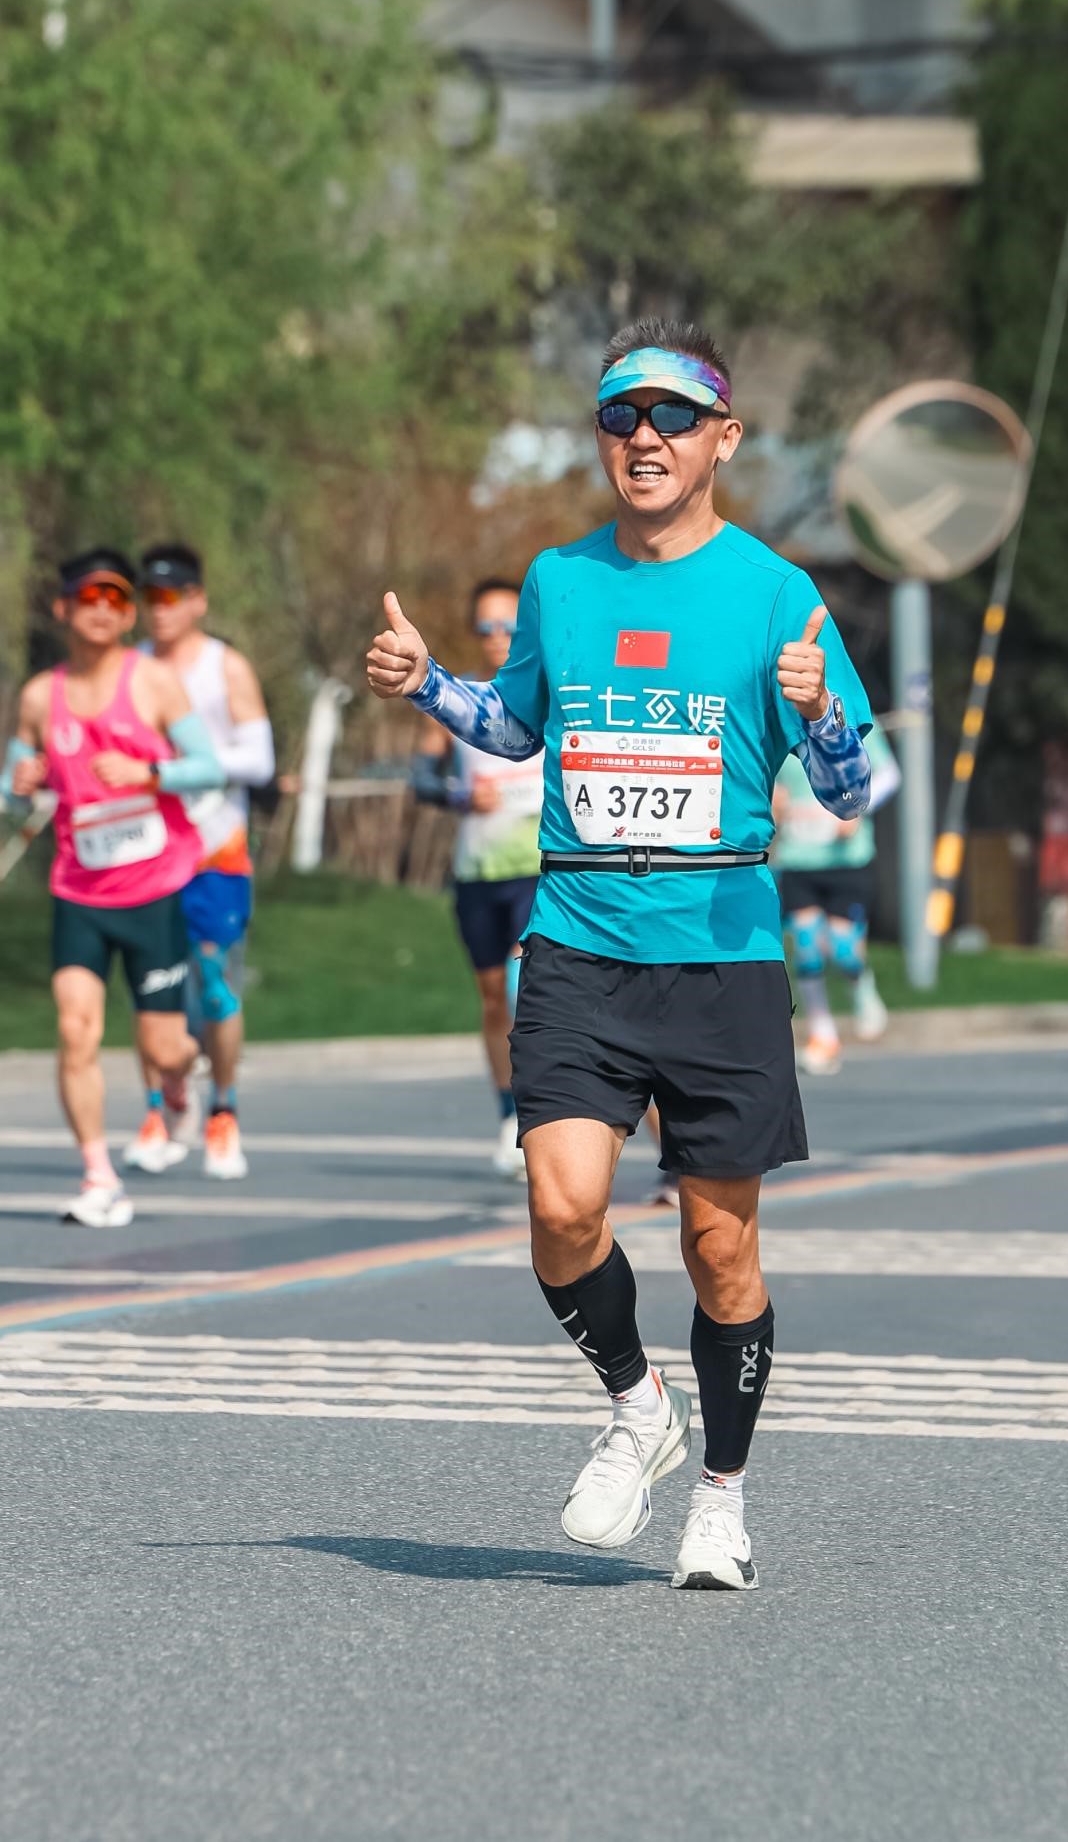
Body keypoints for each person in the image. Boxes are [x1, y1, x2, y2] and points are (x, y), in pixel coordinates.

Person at [367, 317, 871, 1590]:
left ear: (724, 439)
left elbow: (853, 791)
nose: (645, 437)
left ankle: (722, 1498)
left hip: (721, 952)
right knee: (561, 1208)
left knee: (719, 1249)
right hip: (579, 936)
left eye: (672, 417)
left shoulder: (778, 594)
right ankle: (640, 1406)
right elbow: (515, 726)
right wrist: (429, 682)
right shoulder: (560, 580)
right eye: (620, 416)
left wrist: (818, 714)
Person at [1, 549, 224, 1226]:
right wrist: (20, 784)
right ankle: (99, 1176)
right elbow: (14, 790)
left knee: (162, 1049)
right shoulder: (39, 696)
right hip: (79, 892)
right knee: (76, 1030)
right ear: (62, 607)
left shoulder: (153, 681)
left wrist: (146, 774)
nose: (102, 610)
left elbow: (209, 768)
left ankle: (184, 1074)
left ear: (128, 614)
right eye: (89, 597)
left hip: (154, 889)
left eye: (116, 599)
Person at [121, 545, 275, 1180]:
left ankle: (223, 1112)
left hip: (216, 853)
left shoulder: (225, 667)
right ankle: (158, 1111)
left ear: (197, 601)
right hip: (145, 855)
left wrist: (173, 769)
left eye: (170, 597)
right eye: (148, 599)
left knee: (215, 990)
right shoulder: (128, 669)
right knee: (151, 991)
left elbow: (260, 762)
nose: (158, 610)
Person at [412, 578, 545, 1178]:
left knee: (522, 995)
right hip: (477, 873)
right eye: (485, 628)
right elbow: (421, 780)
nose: (497, 638)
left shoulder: (551, 692)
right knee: (494, 1001)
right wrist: (461, 796)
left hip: (535, 872)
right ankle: (508, 1115)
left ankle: (546, 1116)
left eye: (508, 627)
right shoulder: (459, 697)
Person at [773, 723, 901, 1074]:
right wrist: (772, 797)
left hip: (847, 859)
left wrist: (859, 808)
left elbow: (889, 774)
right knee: (807, 945)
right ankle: (822, 1034)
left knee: (843, 947)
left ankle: (861, 986)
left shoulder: (851, 715)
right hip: (798, 858)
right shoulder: (780, 718)